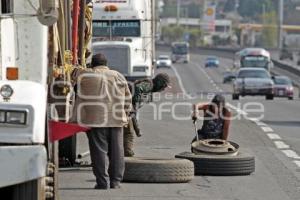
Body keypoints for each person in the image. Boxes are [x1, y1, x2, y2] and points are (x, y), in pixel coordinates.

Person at [76, 53, 131, 189]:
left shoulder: (85, 76)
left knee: (99, 151)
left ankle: (102, 182)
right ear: (106, 64)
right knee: (117, 151)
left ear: (92, 64)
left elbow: (77, 91)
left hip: (96, 120)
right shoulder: (118, 76)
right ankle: (115, 181)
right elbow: (127, 98)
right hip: (116, 119)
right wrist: (126, 111)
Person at [124, 73, 171, 157]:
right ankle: (127, 151)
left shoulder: (149, 87)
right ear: (160, 83)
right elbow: (138, 88)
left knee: (127, 130)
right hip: (124, 107)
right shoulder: (149, 85)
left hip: (127, 108)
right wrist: (136, 101)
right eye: (164, 86)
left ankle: (124, 151)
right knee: (129, 132)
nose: (163, 89)